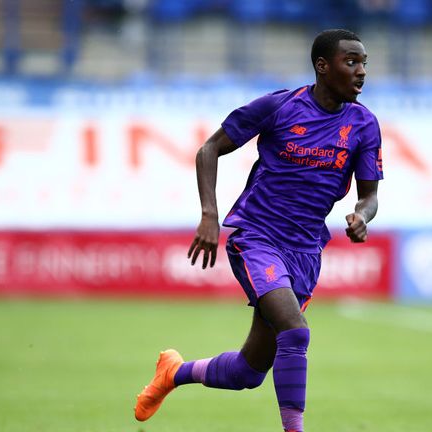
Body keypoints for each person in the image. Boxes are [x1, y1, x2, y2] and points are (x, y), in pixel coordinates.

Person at [134, 29, 383, 432]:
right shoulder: (280, 107)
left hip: (305, 250)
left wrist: (362, 215)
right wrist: (210, 215)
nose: (361, 72)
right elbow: (208, 149)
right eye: (351, 62)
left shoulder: (364, 125)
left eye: (364, 63)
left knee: (249, 372)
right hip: (258, 235)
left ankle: (173, 373)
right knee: (296, 332)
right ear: (323, 66)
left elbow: (370, 196)